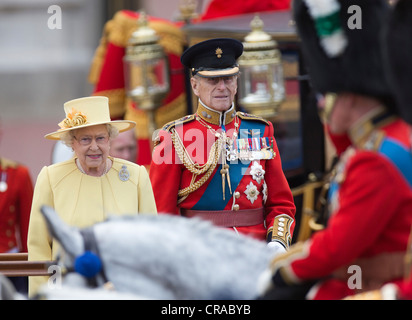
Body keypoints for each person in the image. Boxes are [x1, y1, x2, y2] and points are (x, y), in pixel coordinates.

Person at [259, 0, 412, 300]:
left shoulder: (375, 160)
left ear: (351, 97)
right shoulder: (380, 142)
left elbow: (338, 247)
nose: (319, 103)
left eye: (325, 94)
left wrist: (281, 269)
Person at [149, 38, 296, 251]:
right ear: (195, 85)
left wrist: (277, 242)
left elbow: (281, 204)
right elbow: (161, 212)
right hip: (199, 252)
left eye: (228, 79)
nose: (222, 87)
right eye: (213, 80)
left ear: (237, 83)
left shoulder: (261, 130)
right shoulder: (173, 137)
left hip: (254, 250)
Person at [27, 96, 157, 297]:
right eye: (85, 139)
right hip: (70, 290)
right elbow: (40, 246)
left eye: (101, 138)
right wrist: (47, 294)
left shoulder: (136, 175)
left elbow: (150, 239)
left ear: (110, 139)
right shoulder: (51, 177)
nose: (94, 147)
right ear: (72, 143)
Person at [51, 126, 138, 164]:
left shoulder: (139, 176)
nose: (127, 155)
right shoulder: (52, 177)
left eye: (131, 148)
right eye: (120, 149)